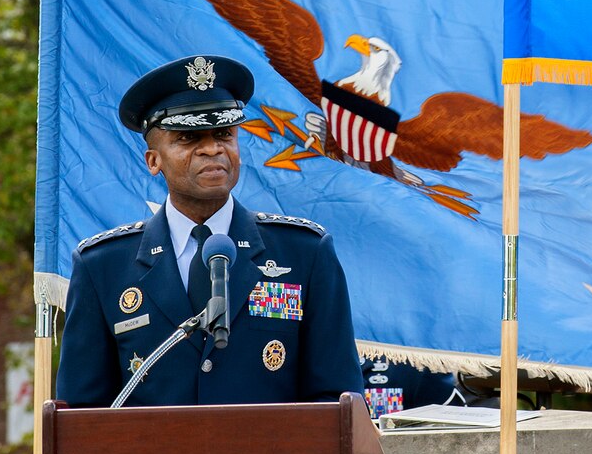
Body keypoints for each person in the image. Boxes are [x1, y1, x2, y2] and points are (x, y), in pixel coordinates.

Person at [56, 54, 364, 407]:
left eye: (224, 134)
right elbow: (83, 415)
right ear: (153, 160)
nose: (212, 148)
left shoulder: (304, 253)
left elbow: (339, 400)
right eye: (188, 138)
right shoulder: (104, 266)